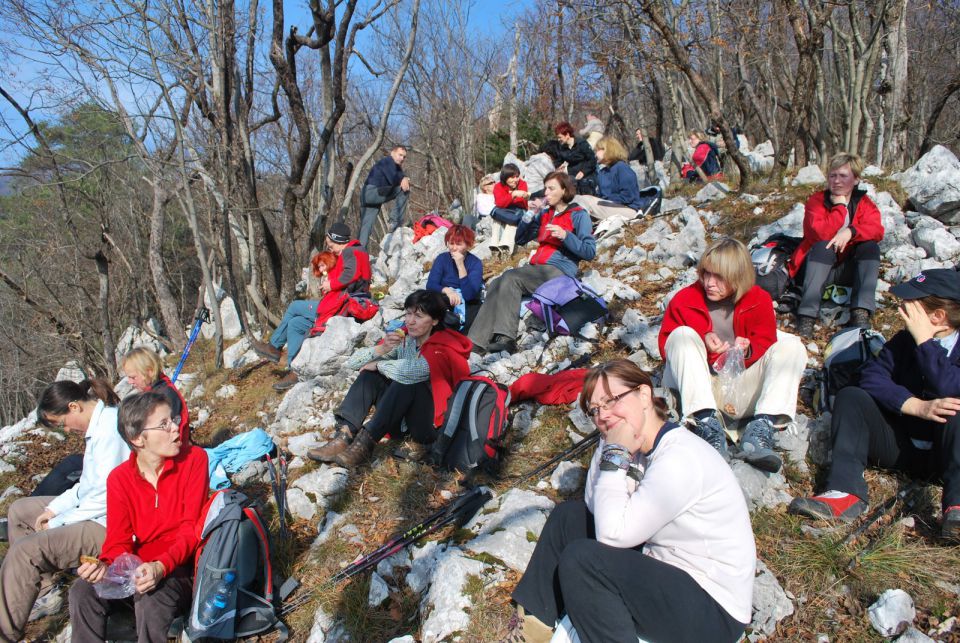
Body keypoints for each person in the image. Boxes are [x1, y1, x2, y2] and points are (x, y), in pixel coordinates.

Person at [507, 360, 755, 643]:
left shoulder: (680, 458)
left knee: (584, 561)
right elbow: (594, 506)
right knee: (568, 518)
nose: (603, 415)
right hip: (666, 570)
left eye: (611, 400)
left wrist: (616, 452)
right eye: (595, 410)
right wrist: (610, 446)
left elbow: (612, 535)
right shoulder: (637, 446)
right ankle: (534, 626)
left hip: (712, 608)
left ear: (645, 395)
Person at [790, 269, 960, 541]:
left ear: (937, 316)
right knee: (851, 396)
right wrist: (913, 405)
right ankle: (845, 492)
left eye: (911, 304)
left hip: (947, 455)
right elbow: (871, 376)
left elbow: (949, 386)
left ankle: (956, 507)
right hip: (903, 446)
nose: (901, 307)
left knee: (955, 408)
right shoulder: (905, 341)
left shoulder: (926, 341)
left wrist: (927, 343)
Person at [69, 391, 208, 642]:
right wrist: (103, 565)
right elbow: (117, 540)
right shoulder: (120, 479)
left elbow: (192, 529)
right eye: (164, 424)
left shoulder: (194, 459)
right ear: (137, 438)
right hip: (138, 568)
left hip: (181, 566)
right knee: (82, 591)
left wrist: (161, 566)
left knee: (151, 597)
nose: (176, 428)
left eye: (173, 419)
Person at [658, 237, 807, 472]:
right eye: (706, 274)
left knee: (793, 345)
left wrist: (748, 349)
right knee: (682, 335)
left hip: (739, 387)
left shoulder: (759, 299)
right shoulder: (685, 300)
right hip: (698, 387)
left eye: (719, 277)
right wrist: (702, 339)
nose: (709, 283)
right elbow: (667, 345)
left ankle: (762, 427)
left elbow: (766, 340)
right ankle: (705, 423)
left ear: (738, 277)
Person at [0, 379, 130, 642]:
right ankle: (46, 592)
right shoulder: (97, 429)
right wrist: (53, 508)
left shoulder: (110, 430)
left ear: (74, 407)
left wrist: (60, 522)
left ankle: (5, 634)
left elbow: (108, 496)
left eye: (63, 423)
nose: (67, 430)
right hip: (93, 511)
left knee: (25, 552)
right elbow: (87, 485)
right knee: (20, 511)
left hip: (110, 524)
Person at [306, 290, 472, 466]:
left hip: (429, 427)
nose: (410, 321)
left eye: (419, 315)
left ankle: (364, 445)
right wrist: (382, 349)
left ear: (435, 320)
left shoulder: (442, 346)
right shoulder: (407, 341)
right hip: (400, 421)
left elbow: (413, 371)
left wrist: (379, 365)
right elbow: (352, 364)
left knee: (406, 382)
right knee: (370, 376)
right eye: (408, 313)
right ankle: (344, 436)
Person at [468, 172, 596, 355]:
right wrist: (530, 215)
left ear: (564, 190)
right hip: (538, 268)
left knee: (512, 279)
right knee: (496, 283)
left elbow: (590, 251)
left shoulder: (578, 214)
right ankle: (475, 343)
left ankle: (506, 338)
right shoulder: (545, 213)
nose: (546, 192)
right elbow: (520, 239)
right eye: (546, 188)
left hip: (560, 270)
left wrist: (566, 236)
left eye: (551, 188)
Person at [251, 223, 374, 391]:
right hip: (337, 304)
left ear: (335, 240)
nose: (329, 246)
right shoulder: (352, 252)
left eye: (330, 242)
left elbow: (350, 275)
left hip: (340, 306)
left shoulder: (351, 251)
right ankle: (294, 369)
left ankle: (274, 346)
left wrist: (331, 284)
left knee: (295, 306)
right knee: (295, 324)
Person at [789, 152, 884, 338]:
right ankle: (807, 316)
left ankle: (861, 312)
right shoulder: (817, 201)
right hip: (816, 267)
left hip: (846, 270)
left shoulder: (864, 203)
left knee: (870, 247)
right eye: (832, 176)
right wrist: (840, 208)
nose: (837, 181)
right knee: (823, 246)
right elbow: (819, 233)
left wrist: (851, 232)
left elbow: (877, 230)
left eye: (843, 176)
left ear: (856, 179)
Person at [121, 347, 190, 444]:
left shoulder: (165, 395)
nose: (130, 382)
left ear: (149, 371)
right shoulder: (156, 391)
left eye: (133, 377)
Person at [426, 225, 484, 333]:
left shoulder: (475, 263)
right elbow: (431, 285)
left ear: (467, 245)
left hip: (467, 300)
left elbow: (469, 294)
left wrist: (460, 265)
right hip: (445, 297)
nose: (454, 248)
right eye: (451, 243)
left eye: (458, 244)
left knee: (474, 308)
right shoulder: (442, 259)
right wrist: (447, 290)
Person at [574, 136, 645, 221]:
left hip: (628, 209)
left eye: (597, 150)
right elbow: (600, 195)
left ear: (607, 149)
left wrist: (604, 200)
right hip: (609, 206)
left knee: (584, 200)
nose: (595, 154)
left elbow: (628, 197)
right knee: (576, 199)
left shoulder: (622, 168)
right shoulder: (602, 172)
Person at [358, 145, 410, 248]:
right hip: (372, 192)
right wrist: (403, 178)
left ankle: (359, 252)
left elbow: (396, 176)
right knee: (404, 189)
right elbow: (394, 179)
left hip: (366, 196)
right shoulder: (387, 161)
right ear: (393, 152)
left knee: (366, 227)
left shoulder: (393, 166)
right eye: (400, 155)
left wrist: (403, 177)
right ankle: (394, 221)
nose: (402, 158)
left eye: (404, 157)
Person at [489, 163, 529, 259]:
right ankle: (494, 247)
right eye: (512, 177)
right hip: (505, 211)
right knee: (497, 220)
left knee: (512, 222)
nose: (515, 180)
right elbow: (499, 203)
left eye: (517, 176)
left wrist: (507, 199)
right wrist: (513, 195)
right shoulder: (498, 186)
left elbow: (522, 202)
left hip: (519, 211)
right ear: (505, 177)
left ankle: (505, 248)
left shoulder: (522, 184)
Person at [554, 121, 598, 195]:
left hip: (587, 177)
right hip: (572, 178)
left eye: (560, 137)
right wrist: (557, 168)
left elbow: (592, 160)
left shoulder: (582, 144)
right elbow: (559, 160)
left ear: (567, 134)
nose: (558, 140)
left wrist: (583, 171)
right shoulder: (562, 147)